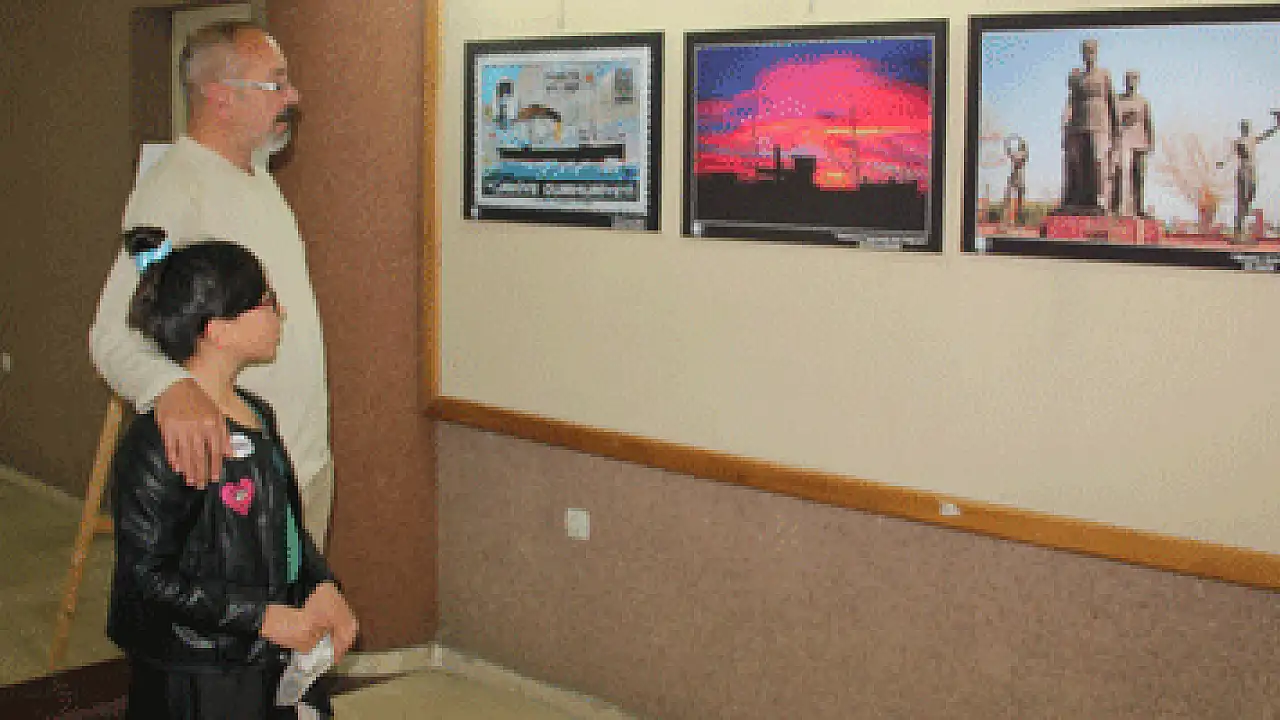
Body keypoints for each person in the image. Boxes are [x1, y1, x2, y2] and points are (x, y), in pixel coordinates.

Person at [89, 21, 335, 548]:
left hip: (299, 465)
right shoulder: (174, 191)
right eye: (276, 83)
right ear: (221, 98)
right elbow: (112, 336)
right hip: (238, 487)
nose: (293, 97)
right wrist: (169, 389)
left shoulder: (260, 181)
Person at [107, 232, 357, 719]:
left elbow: (283, 528)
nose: (280, 312)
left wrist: (319, 585)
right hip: (197, 674)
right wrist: (260, 617)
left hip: (262, 655)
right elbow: (146, 579)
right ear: (216, 330)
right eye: (265, 301)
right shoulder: (159, 443)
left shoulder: (258, 414)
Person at [1059, 38, 1117, 214]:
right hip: (1079, 125)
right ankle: (1081, 200)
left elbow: (1112, 103)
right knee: (1079, 163)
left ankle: (1100, 199)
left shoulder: (1104, 75)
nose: (1089, 55)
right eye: (1086, 52)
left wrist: (1116, 131)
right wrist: (1065, 124)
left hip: (1099, 125)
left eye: (1092, 51)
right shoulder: (1077, 77)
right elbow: (1071, 102)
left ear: (1096, 53)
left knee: (1098, 160)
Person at [1217, 117, 1279, 241]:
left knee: (1251, 195)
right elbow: (1230, 154)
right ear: (1242, 128)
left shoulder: (1252, 139)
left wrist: (1276, 126)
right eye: (1245, 126)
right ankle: (1239, 228)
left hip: (1252, 170)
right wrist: (1222, 162)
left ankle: (1244, 217)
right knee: (1242, 198)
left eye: (1248, 126)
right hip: (1243, 170)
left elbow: (1266, 135)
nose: (1247, 128)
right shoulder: (1238, 142)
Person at [1113, 70, 1154, 217]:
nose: (1131, 82)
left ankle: (1138, 207)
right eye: (1129, 79)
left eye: (1134, 79)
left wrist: (1150, 143)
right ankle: (1117, 206)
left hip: (1139, 143)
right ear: (1125, 82)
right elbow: (1113, 120)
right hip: (1122, 142)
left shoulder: (1143, 102)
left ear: (1138, 82)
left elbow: (1149, 123)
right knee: (1119, 173)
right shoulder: (1118, 100)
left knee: (1138, 176)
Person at [1002, 136, 1029, 225]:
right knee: (1011, 197)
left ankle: (1017, 220)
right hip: (1016, 177)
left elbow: (1009, 152)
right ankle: (1011, 220)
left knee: (1019, 199)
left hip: (1018, 178)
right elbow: (1009, 152)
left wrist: (1007, 144)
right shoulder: (1020, 155)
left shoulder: (1020, 155)